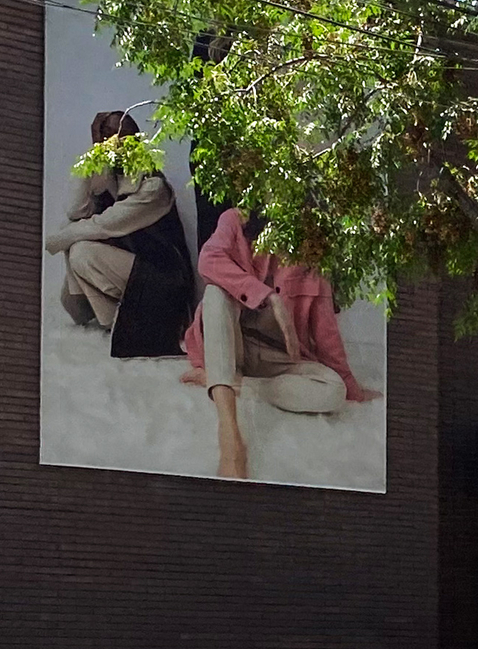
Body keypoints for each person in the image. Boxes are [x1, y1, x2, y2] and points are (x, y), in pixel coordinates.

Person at [179, 205, 376, 479]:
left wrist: (352, 387)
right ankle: (230, 435)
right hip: (233, 344)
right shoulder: (236, 220)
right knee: (215, 293)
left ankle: (232, 383)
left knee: (334, 391)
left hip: (279, 358)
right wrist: (267, 296)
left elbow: (325, 329)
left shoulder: (310, 248)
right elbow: (208, 261)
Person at [46, 109, 195, 356]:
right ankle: (111, 318)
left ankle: (116, 322)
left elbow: (105, 225)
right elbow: (75, 210)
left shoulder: (152, 187)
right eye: (106, 135)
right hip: (133, 271)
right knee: (74, 242)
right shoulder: (111, 176)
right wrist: (93, 156)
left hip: (164, 282)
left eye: (122, 135)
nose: (114, 141)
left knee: (80, 247)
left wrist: (55, 241)